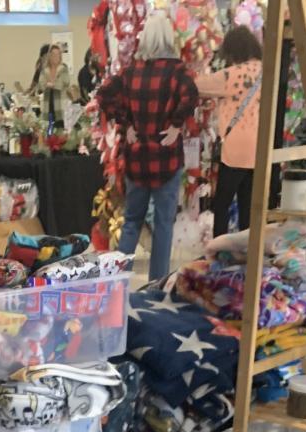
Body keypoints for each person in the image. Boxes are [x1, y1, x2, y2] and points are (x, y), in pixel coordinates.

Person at [98, 13, 199, 282]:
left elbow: (104, 94)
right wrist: (176, 125)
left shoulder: (131, 72)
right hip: (166, 158)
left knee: (131, 221)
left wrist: (125, 123)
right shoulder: (178, 73)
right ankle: (157, 284)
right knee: (164, 225)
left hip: (137, 157)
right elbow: (192, 96)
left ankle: (118, 281)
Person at [197, 26, 263, 236]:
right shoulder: (267, 70)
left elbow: (197, 86)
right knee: (248, 206)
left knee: (222, 204)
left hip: (235, 149)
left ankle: (220, 248)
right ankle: (247, 249)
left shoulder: (232, 74)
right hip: (259, 147)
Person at [40, 44, 71, 130]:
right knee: (49, 129)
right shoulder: (45, 69)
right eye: (53, 54)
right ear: (49, 55)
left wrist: (51, 84)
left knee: (60, 129)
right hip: (48, 103)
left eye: (58, 54)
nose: (55, 57)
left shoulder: (63, 68)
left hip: (60, 104)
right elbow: (41, 84)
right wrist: (49, 84)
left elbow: (65, 82)